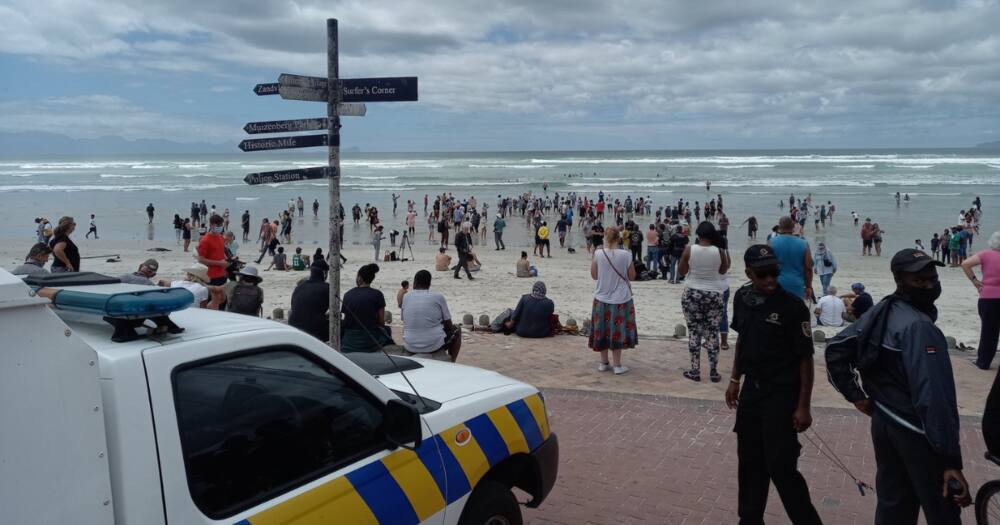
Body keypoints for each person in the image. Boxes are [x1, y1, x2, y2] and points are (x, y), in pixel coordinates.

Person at [826, 249, 971, 523]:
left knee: (894, 506)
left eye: (933, 278)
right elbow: (934, 398)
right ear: (899, 280)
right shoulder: (919, 328)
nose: (929, 285)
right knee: (943, 511)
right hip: (918, 433)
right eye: (920, 280)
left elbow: (835, 349)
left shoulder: (882, 310)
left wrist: (858, 396)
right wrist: (951, 460)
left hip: (885, 422)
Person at [724, 244, 823, 525]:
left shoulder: (793, 308)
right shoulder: (742, 297)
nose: (769, 281)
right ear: (748, 273)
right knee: (750, 462)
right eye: (762, 275)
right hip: (752, 393)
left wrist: (803, 406)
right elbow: (742, 339)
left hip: (782, 394)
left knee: (781, 467)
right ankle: (750, 519)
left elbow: (805, 358)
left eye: (774, 274)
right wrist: (734, 379)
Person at [678, 221, 730, 382]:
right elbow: (723, 270)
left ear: (698, 235)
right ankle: (714, 372)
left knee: (694, 331)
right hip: (714, 294)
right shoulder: (720, 251)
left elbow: (682, 271)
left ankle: (695, 370)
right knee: (712, 332)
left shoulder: (689, 249)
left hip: (692, 292)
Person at [589, 226, 637, 375]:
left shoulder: (598, 253)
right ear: (619, 238)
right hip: (621, 298)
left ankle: (604, 362)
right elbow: (632, 276)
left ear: (605, 238)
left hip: (601, 297)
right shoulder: (626, 254)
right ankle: (617, 365)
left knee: (602, 329)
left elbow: (594, 275)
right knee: (618, 330)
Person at [399, 270, 461, 362]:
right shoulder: (438, 297)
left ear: (415, 283)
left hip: (410, 344)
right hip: (432, 346)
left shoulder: (406, 296)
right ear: (429, 283)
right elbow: (448, 323)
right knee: (457, 330)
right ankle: (452, 361)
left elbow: (404, 319)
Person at [962, 231, 1000, 369]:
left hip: (988, 298)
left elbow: (965, 264)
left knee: (989, 331)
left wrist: (975, 281)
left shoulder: (985, 254)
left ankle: (983, 362)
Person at [340, 264, 394, 352]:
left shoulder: (348, 294)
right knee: (387, 330)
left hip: (349, 340)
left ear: (359, 278)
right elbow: (381, 322)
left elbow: (347, 320)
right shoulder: (377, 294)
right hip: (369, 341)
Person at [770, 216, 813, 300]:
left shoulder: (771, 242)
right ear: (793, 227)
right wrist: (808, 287)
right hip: (797, 284)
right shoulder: (804, 243)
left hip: (777, 284)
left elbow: (767, 266)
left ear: (779, 227)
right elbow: (808, 268)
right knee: (794, 311)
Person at [289, 267, 331, 342]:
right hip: (313, 329)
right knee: (341, 325)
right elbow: (332, 308)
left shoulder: (299, 287)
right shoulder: (326, 287)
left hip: (293, 325)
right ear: (324, 274)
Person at [196, 215, 229, 285]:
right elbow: (201, 260)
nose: (220, 228)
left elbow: (221, 252)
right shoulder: (205, 240)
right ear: (211, 225)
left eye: (221, 225)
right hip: (210, 276)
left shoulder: (220, 237)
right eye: (218, 226)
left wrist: (226, 260)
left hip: (222, 274)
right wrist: (219, 263)